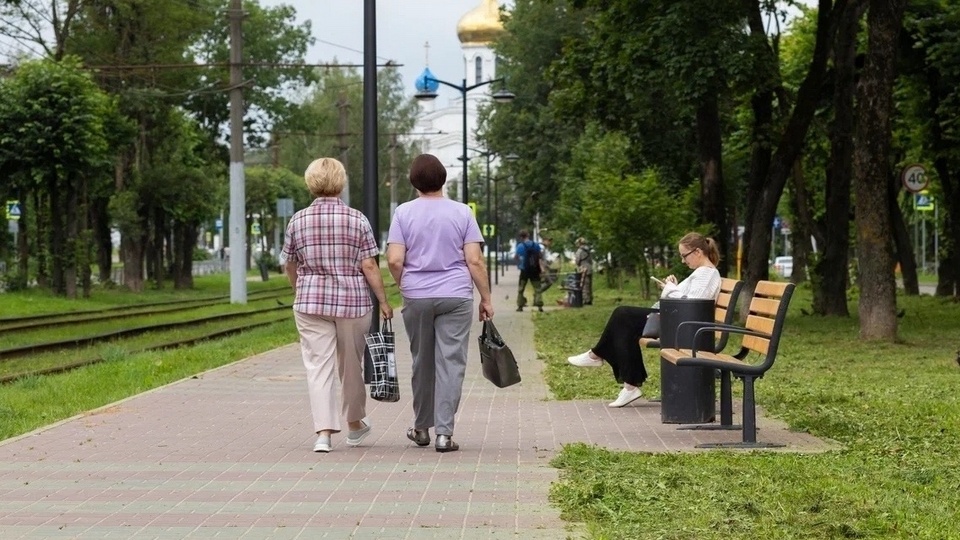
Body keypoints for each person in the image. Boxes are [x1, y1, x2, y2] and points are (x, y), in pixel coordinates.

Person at [281, 157, 393, 453]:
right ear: (341, 183)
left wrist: (299, 289)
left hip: (310, 302)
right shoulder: (357, 219)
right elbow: (369, 264)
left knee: (318, 366)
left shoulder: (298, 220)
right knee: (351, 366)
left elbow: (289, 263)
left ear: (310, 183)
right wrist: (383, 300)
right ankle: (355, 425)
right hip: (352, 303)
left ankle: (323, 435)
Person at [386, 154, 494, 453]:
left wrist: (405, 285)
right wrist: (486, 298)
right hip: (456, 296)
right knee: (451, 363)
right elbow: (474, 260)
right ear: (443, 179)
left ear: (413, 181)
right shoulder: (462, 213)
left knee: (422, 361)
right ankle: (444, 434)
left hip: (417, 295)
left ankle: (421, 428)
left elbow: (395, 259)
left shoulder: (403, 213)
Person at [566, 232, 722, 408]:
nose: (683, 261)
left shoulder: (706, 274)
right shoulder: (702, 273)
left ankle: (601, 359)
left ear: (698, 252)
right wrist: (673, 286)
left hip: (681, 325)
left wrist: (670, 288)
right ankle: (626, 382)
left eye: (684, 256)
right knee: (624, 322)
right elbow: (689, 298)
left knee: (623, 315)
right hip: (675, 319)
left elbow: (693, 304)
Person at [514, 230, 543, 312]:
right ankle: (539, 305)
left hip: (524, 270)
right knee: (537, 288)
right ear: (528, 235)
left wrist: (520, 263)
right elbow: (540, 255)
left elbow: (516, 257)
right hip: (535, 270)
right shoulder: (536, 245)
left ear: (521, 237)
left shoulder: (520, 246)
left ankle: (520, 306)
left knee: (521, 288)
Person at [575, 237, 594, 305]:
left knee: (584, 285)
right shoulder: (588, 250)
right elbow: (591, 260)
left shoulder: (579, 251)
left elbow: (577, 261)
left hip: (583, 268)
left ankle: (586, 300)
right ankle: (590, 298)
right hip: (590, 268)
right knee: (589, 285)